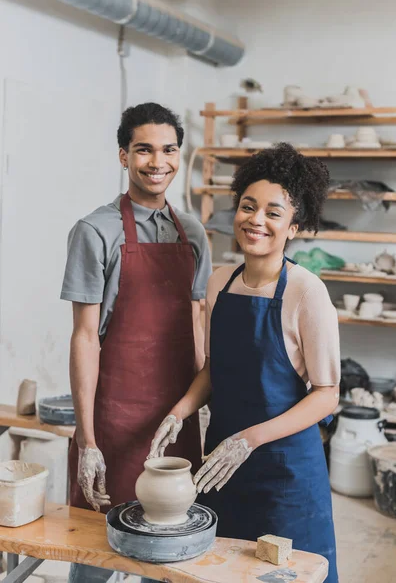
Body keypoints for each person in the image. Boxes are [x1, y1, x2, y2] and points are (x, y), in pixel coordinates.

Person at [149, 143, 340, 583]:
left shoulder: (306, 293)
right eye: (248, 207)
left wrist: (250, 439)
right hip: (222, 466)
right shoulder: (220, 282)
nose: (256, 220)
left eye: (274, 213)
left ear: (294, 226)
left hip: (285, 472)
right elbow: (213, 371)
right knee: (220, 572)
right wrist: (179, 412)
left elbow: (327, 395)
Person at [61, 103, 212, 583]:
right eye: (144, 150)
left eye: (169, 149)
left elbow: (196, 318)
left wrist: (201, 406)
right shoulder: (95, 231)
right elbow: (85, 337)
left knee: (168, 556)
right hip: (112, 420)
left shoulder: (193, 233)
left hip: (175, 421)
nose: (158, 161)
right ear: (123, 156)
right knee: (94, 554)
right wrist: (87, 439)